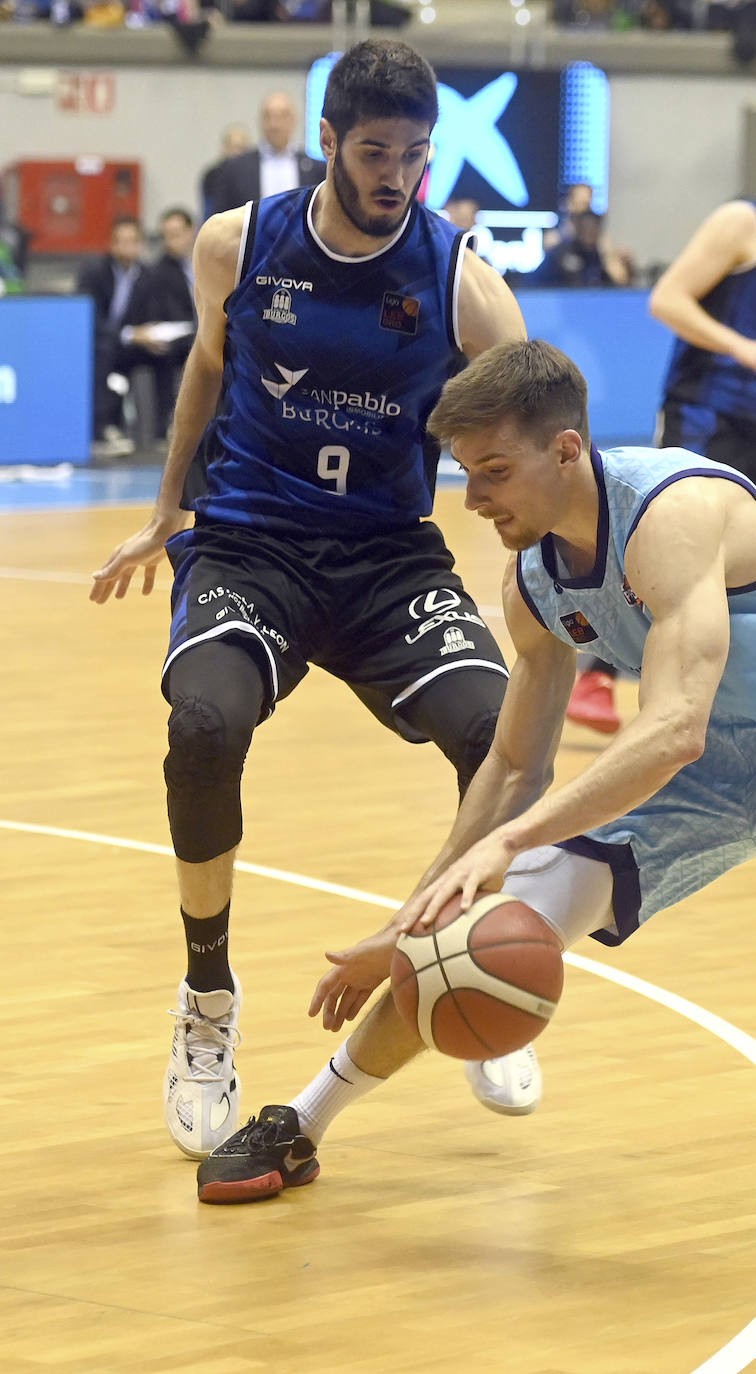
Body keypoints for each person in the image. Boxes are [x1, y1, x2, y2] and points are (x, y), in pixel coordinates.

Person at [195, 338, 756, 1288]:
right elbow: (512, 767)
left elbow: (671, 727)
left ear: (568, 450)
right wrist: (406, 924)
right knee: (469, 942)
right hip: (712, 769)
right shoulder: (534, 581)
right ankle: (302, 1124)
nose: (475, 500)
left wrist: (513, 839)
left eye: (494, 470)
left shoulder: (674, 513)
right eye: (466, 475)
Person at [89, 38, 542, 1161]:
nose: (395, 175)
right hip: (253, 547)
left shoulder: (461, 282)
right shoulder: (238, 243)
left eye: (415, 156)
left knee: (498, 734)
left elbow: (524, 431)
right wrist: (164, 510)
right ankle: (206, 1004)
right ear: (328, 140)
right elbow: (205, 366)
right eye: (376, 151)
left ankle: (469, 961)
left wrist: (532, 564)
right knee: (202, 727)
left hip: (389, 560)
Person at [568, 113, 756, 735]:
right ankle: (594, 677)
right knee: (671, 558)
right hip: (705, 416)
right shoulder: (744, 223)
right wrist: (742, 350)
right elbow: (666, 299)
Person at [120, 207, 198, 445]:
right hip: (181, 336)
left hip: (205, 332)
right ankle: (164, 426)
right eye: (166, 235)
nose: (171, 241)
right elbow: (166, 314)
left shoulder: (204, 262)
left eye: (176, 234)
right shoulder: (160, 272)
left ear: (190, 232)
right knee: (165, 352)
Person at [76, 215, 146, 460]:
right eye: (122, 241)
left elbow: (150, 312)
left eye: (133, 241)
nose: (128, 247)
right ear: (112, 244)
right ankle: (102, 429)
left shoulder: (146, 274)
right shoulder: (94, 271)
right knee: (104, 352)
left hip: (132, 343)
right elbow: (88, 316)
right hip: (97, 340)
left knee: (169, 353)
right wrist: (127, 334)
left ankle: (164, 430)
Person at [206, 91, 324, 216]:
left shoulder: (316, 170)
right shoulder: (235, 169)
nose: (274, 125)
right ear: (260, 121)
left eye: (282, 116)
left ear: (294, 120)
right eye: (268, 117)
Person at [199, 124, 252, 222]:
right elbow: (208, 211)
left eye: (241, 148)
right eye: (233, 147)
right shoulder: (212, 176)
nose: (237, 152)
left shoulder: (252, 175)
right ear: (225, 148)